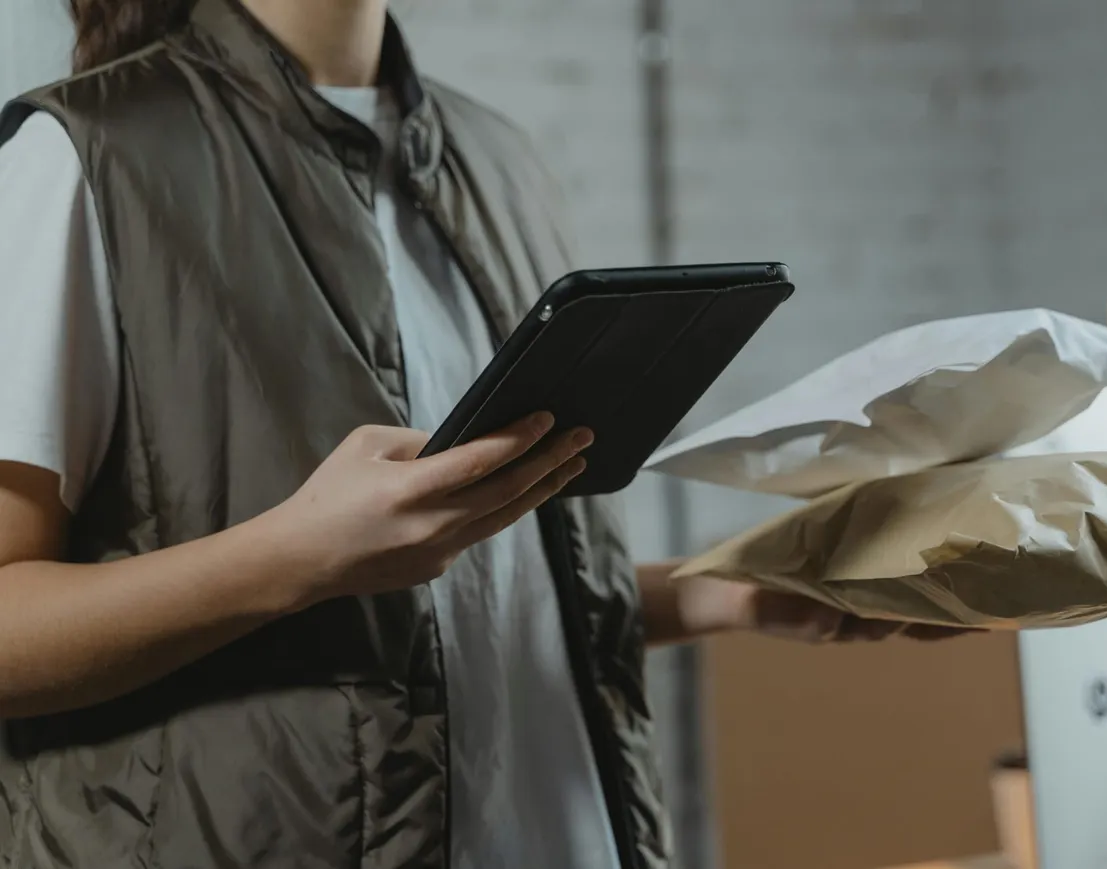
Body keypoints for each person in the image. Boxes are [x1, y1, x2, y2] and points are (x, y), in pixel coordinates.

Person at [0, 1, 962, 867]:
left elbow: (486, 593)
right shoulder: (79, 157)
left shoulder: (497, 161)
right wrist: (297, 555)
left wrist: (731, 593)